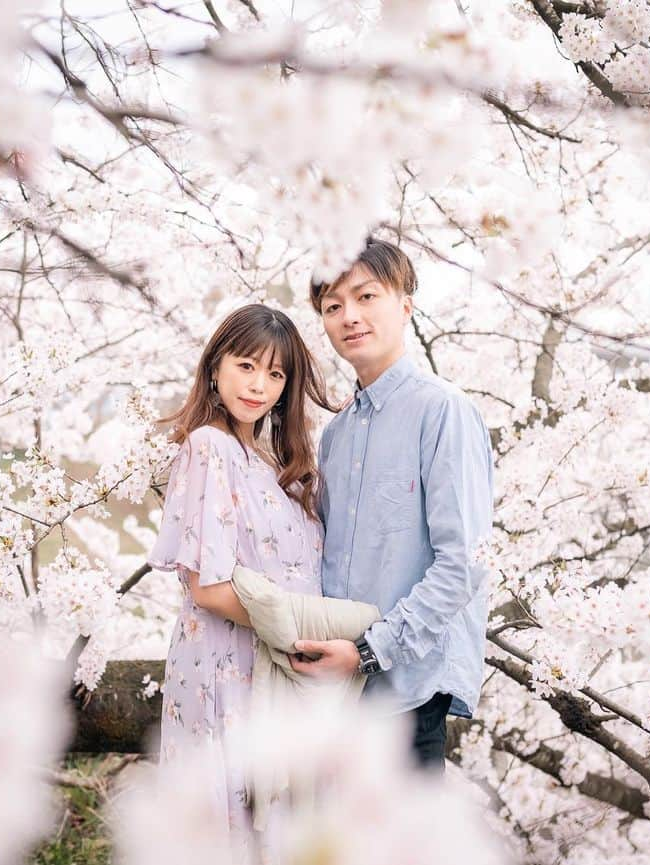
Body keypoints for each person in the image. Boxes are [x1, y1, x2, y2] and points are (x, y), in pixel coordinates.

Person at [290, 237, 496, 773]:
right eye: (332, 307)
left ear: (405, 304)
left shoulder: (443, 412)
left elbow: (464, 563)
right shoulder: (335, 435)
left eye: (365, 297)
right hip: (336, 703)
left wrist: (367, 653)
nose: (349, 317)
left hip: (407, 697)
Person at [146, 303, 336, 858]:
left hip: (276, 666)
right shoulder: (209, 447)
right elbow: (207, 587)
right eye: (247, 366)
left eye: (275, 374)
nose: (260, 386)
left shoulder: (269, 459)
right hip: (228, 665)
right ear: (215, 367)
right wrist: (304, 631)